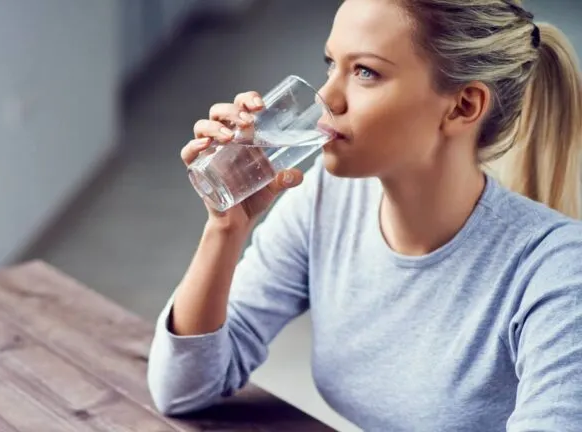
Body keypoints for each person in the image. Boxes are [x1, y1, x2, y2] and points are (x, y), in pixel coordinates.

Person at [147, 0, 582, 430]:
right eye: (330, 65)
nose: (327, 100)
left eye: (365, 72)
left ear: (463, 106)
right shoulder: (328, 198)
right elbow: (182, 390)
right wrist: (225, 228)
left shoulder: (559, 272)